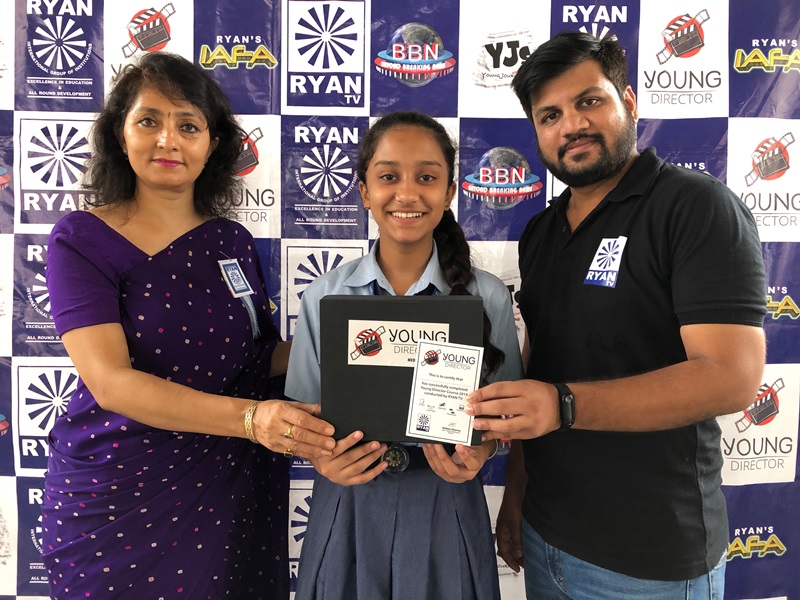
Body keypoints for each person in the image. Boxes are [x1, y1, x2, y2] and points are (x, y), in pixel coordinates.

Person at [465, 31, 767, 599]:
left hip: (651, 562)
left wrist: (565, 404)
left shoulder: (694, 205)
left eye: (589, 101)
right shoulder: (541, 231)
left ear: (628, 101)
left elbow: (732, 377)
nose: (571, 125)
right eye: (550, 115)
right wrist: (518, 492)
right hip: (547, 537)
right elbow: (540, 364)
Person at [41, 52, 336, 599]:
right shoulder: (82, 239)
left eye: (188, 126)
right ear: (120, 135)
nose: (168, 140)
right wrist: (251, 420)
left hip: (228, 493)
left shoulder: (231, 242)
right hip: (116, 499)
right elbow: (110, 383)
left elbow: (257, 358)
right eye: (149, 120)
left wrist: (361, 349)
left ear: (213, 144)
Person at [285, 110, 524, 599]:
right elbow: (303, 415)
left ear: (450, 192)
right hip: (348, 502)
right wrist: (321, 460)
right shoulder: (324, 296)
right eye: (389, 176)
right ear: (364, 191)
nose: (408, 194)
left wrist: (480, 452)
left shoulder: (489, 297)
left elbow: (504, 419)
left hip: (446, 500)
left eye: (427, 178)